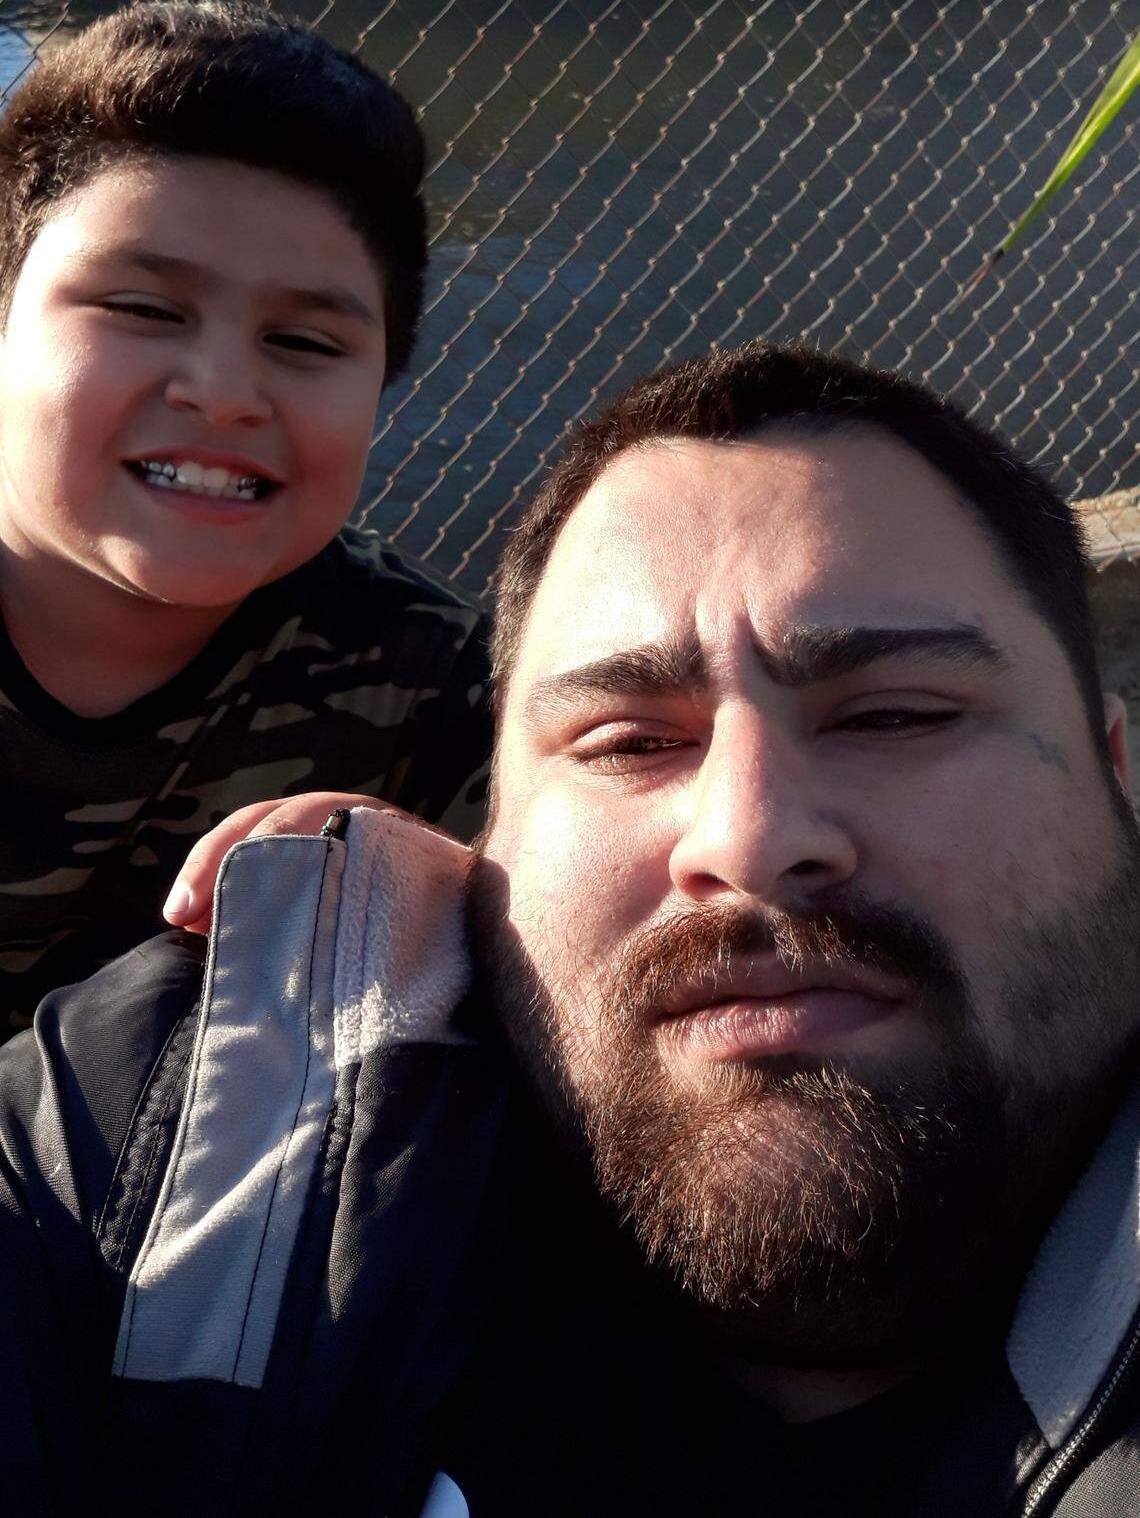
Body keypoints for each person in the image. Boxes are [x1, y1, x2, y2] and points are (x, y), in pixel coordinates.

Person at [0, 342, 1136, 1514]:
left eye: (897, 715)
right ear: (488, 843)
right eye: (629, 743)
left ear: (1118, 773)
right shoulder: (164, 1147)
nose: (745, 840)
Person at [0, 0, 492, 1037]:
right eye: (143, 311)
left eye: (307, 343)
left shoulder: (435, 687)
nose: (223, 392)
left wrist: (437, 890)